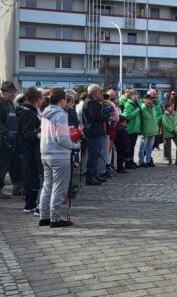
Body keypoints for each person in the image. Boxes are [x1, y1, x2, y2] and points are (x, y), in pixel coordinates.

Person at [39, 88, 80, 228]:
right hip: (59, 155)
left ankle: (44, 217)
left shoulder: (45, 113)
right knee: (59, 188)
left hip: (46, 153)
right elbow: (62, 139)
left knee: (47, 186)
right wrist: (74, 145)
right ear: (62, 100)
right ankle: (55, 218)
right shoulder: (61, 115)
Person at [0, 81, 22, 199]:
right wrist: (7, 133)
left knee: (13, 164)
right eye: (10, 92)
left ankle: (17, 187)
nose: (13, 94)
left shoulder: (9, 104)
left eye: (14, 92)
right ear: (2, 92)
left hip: (10, 141)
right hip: (0, 140)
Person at [16, 87, 44, 214]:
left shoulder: (22, 109)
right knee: (31, 176)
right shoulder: (29, 113)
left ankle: (30, 203)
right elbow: (27, 134)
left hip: (24, 147)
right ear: (37, 99)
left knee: (29, 175)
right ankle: (30, 204)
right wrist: (40, 131)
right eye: (41, 98)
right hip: (29, 148)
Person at [80, 84, 111, 186]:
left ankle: (95, 174)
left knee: (96, 155)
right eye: (99, 91)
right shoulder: (89, 102)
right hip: (93, 131)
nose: (101, 93)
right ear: (94, 92)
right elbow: (96, 117)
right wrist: (107, 115)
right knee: (93, 155)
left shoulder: (94, 102)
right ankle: (90, 177)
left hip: (97, 131)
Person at [122, 90, 141, 169]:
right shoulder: (128, 104)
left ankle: (131, 161)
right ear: (131, 96)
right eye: (136, 95)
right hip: (130, 129)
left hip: (135, 129)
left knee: (132, 146)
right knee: (129, 147)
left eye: (137, 94)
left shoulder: (137, 104)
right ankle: (128, 163)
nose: (137, 96)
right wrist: (136, 111)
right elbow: (126, 116)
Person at [138, 93, 158, 167]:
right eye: (149, 99)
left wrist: (156, 128)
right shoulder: (142, 108)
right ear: (144, 100)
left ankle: (148, 160)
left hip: (153, 129)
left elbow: (154, 118)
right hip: (145, 129)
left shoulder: (153, 107)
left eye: (151, 99)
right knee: (143, 146)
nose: (150, 101)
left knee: (150, 146)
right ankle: (141, 161)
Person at [162, 100, 177, 165]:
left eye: (173, 106)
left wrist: (176, 129)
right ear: (167, 108)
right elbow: (165, 124)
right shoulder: (164, 115)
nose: (172, 108)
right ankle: (170, 161)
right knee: (168, 148)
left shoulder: (175, 114)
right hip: (168, 133)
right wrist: (172, 130)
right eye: (171, 106)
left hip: (175, 132)